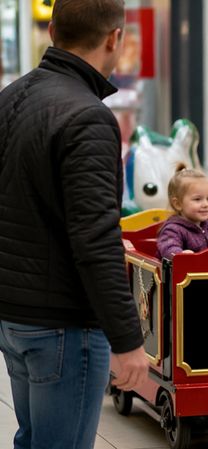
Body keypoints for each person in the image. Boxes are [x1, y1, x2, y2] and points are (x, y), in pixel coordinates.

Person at [0, 1, 149, 448]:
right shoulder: (87, 116)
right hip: (63, 326)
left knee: (33, 439)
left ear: (52, 31)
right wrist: (128, 340)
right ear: (114, 39)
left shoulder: (11, 97)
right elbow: (96, 240)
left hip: (15, 314)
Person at [157, 167, 208, 260]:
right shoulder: (173, 229)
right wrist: (180, 255)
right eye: (197, 199)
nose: (206, 204)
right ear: (178, 204)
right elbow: (168, 248)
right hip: (186, 268)